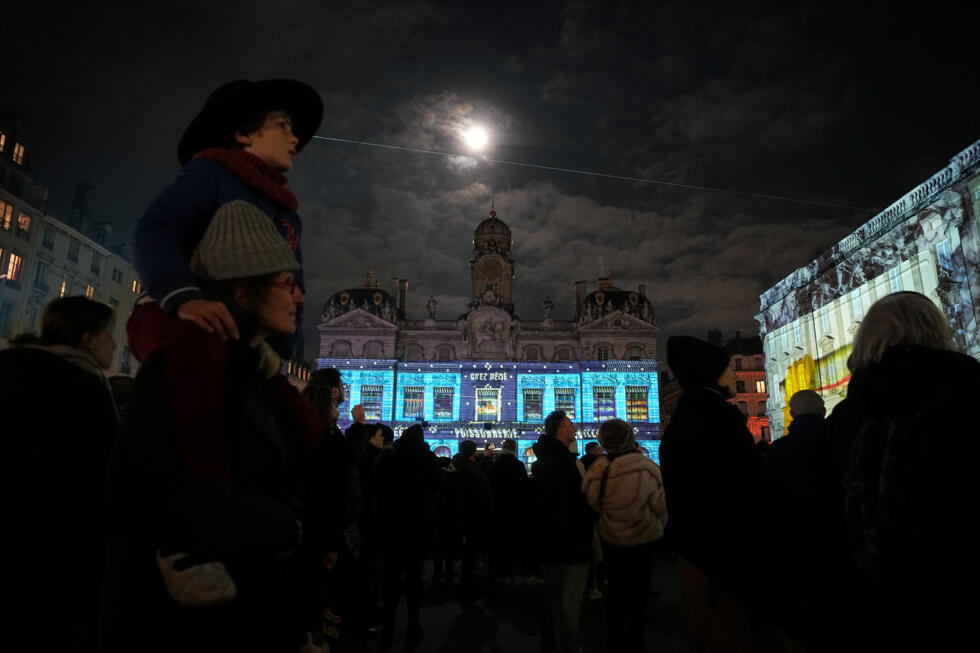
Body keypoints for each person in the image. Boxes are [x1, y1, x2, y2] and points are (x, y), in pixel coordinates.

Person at [103, 201, 323, 652]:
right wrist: (287, 527)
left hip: (251, 614)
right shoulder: (188, 368)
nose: (300, 296)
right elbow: (147, 506)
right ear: (242, 291)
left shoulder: (252, 376)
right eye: (286, 283)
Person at [824, 291, 980, 650]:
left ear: (867, 341)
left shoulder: (846, 418)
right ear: (937, 331)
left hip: (876, 617)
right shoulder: (968, 395)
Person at [129, 78, 323, 360]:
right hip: (188, 318)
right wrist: (183, 297)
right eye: (283, 125)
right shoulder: (210, 174)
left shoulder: (287, 213)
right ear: (243, 133)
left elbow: (295, 285)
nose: (294, 138)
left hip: (247, 334)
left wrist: (280, 349)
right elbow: (156, 231)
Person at [2, 297, 118, 653]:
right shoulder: (84, 388)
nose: (115, 344)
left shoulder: (9, 367)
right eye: (109, 334)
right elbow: (106, 475)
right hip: (58, 559)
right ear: (87, 340)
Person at [658, 335, 785, 653]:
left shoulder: (682, 422)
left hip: (696, 557)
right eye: (728, 368)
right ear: (710, 374)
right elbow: (748, 493)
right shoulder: (720, 420)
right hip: (730, 562)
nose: (734, 376)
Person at [582, 419, 667, 653]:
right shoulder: (645, 466)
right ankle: (636, 643)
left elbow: (592, 502)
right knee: (639, 596)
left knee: (615, 594)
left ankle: (615, 642)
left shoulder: (599, 469)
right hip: (642, 539)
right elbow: (661, 505)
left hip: (610, 538)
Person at [767, 390, 840, 649]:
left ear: (792, 414)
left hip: (793, 535)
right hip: (837, 535)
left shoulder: (778, 450)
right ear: (823, 411)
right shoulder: (841, 441)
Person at [371, 424, 444, 649]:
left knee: (391, 578)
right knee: (414, 578)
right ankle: (413, 623)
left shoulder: (389, 455)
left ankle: (389, 625)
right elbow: (440, 484)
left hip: (392, 524)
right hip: (418, 525)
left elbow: (374, 485)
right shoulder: (428, 457)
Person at [533, 410, 596, 653]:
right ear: (561, 430)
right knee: (569, 592)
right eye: (570, 424)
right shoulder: (562, 462)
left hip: (553, 536)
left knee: (554, 589)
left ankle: (552, 638)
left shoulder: (547, 459)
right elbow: (572, 502)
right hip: (570, 538)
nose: (574, 427)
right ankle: (569, 642)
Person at [455, 439, 494, 602]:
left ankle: (468, 586)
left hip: (469, 517)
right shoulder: (469, 470)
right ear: (473, 452)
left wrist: (485, 457)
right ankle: (468, 588)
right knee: (471, 555)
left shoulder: (462, 467)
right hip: (475, 517)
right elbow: (478, 492)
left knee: (470, 555)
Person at [488, 438, 529, 586]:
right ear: (515, 449)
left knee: (498, 542)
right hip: (514, 508)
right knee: (512, 542)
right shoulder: (518, 465)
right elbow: (524, 487)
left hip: (497, 507)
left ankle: (496, 573)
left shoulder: (495, 464)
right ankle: (511, 574)